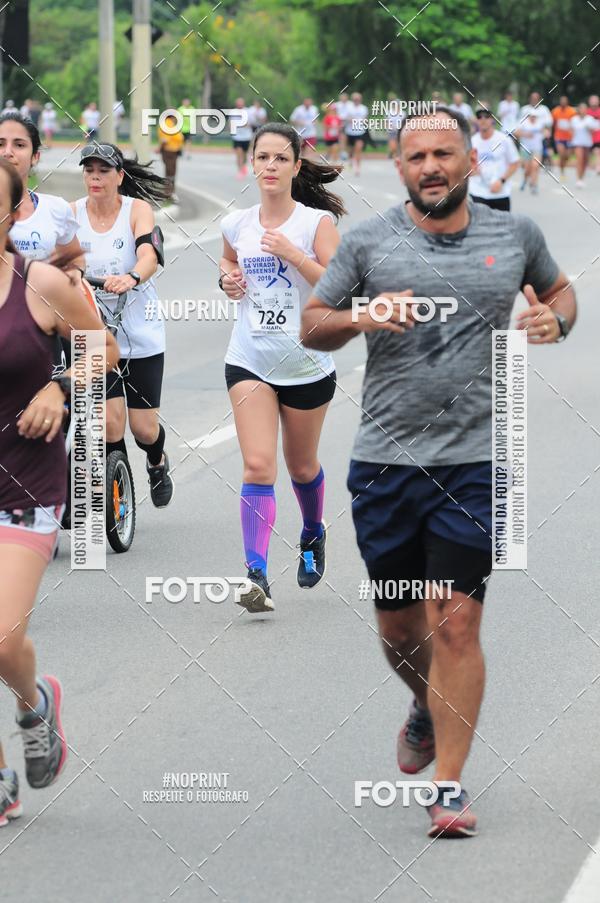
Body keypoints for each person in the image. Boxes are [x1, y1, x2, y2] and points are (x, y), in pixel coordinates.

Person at [301, 106, 576, 838]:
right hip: (386, 463)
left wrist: (558, 320)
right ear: (398, 166)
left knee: (456, 618)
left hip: (479, 459)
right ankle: (424, 703)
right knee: (399, 625)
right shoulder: (368, 241)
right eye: (417, 155)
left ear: (469, 161)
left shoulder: (513, 234)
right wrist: (362, 316)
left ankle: (448, 787)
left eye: (444, 154)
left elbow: (560, 292)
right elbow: (313, 321)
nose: (431, 166)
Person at [0, 155, 119, 827]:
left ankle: (33, 702)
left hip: (24, 480)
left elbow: (101, 347)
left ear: (17, 212)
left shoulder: (39, 283)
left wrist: (59, 384)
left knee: (1, 637)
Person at [218, 122, 345, 613]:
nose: (269, 167)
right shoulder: (237, 222)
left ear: (295, 166)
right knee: (257, 464)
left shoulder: (315, 225)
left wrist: (294, 254)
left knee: (301, 466)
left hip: (307, 364)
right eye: (261, 158)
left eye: (279, 158)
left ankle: (313, 532)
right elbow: (229, 262)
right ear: (251, 164)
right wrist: (228, 280)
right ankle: (256, 574)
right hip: (249, 359)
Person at [73, 143, 174, 507]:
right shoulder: (72, 215)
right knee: (111, 424)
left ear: (119, 176)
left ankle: (156, 460)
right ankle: (119, 491)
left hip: (140, 331)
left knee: (143, 429)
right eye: (89, 170)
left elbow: (149, 253)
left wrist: (131, 276)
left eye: (103, 170)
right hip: (97, 336)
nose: (95, 177)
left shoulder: (137, 210)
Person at [0, 112, 84, 269]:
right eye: (0, 144)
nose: (7, 152)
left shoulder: (57, 208)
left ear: (35, 157)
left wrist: (74, 275)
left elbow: (76, 262)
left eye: (19, 145)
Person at [469, 103, 520, 210]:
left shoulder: (504, 140)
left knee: (502, 227)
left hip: (500, 193)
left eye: (486, 116)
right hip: (478, 192)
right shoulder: (472, 142)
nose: (483, 120)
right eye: (479, 117)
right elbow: (468, 166)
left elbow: (515, 163)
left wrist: (501, 181)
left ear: (492, 119)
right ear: (476, 120)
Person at [515, 110, 544, 194]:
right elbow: (516, 132)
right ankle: (525, 180)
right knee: (527, 168)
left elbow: (544, 131)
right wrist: (525, 134)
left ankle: (534, 184)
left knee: (535, 166)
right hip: (526, 148)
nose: (533, 118)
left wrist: (545, 133)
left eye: (535, 116)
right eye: (532, 116)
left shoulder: (540, 123)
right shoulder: (523, 122)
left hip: (537, 148)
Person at [157, 112, 184, 202]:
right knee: (170, 172)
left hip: (173, 151)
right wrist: (159, 149)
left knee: (171, 172)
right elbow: (165, 139)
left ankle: (170, 192)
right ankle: (169, 193)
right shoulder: (166, 124)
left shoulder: (170, 124)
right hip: (169, 151)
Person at [570, 102, 596, 187]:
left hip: (587, 143)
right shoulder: (574, 119)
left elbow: (593, 131)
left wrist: (589, 128)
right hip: (577, 142)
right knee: (580, 159)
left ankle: (582, 177)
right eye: (581, 109)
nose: (583, 110)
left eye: (584, 109)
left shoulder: (590, 119)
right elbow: (571, 130)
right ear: (579, 110)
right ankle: (578, 179)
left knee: (585, 161)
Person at [344, 92, 369, 176]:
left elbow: (365, 119)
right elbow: (345, 118)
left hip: (360, 131)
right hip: (350, 132)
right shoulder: (348, 108)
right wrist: (350, 119)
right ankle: (350, 159)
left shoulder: (364, 108)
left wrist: (364, 122)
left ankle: (357, 168)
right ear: (352, 99)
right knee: (351, 150)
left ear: (360, 100)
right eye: (355, 99)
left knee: (358, 149)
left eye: (358, 99)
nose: (356, 100)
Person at [551, 96, 576, 180]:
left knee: (567, 156)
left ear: (567, 102)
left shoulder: (572, 111)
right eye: (562, 101)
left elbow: (574, 123)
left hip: (569, 137)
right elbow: (553, 123)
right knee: (561, 154)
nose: (563, 102)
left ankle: (563, 165)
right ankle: (562, 172)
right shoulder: (555, 111)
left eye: (565, 101)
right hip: (559, 137)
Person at [230, 97, 253, 179]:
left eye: (241, 102)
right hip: (237, 137)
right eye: (238, 102)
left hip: (246, 136)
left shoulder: (248, 111)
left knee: (244, 154)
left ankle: (243, 167)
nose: (240, 104)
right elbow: (231, 123)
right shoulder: (233, 112)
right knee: (238, 153)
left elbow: (250, 123)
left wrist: (244, 124)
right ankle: (239, 170)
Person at [335, 92, 351, 159]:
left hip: (349, 122)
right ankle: (342, 152)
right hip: (339, 122)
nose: (343, 98)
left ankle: (346, 152)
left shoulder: (351, 104)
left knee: (347, 139)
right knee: (341, 138)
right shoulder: (337, 105)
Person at [587, 94, 600, 175]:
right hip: (588, 137)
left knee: (597, 152)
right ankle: (588, 167)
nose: (594, 102)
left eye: (595, 100)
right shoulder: (586, 112)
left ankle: (598, 167)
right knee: (588, 153)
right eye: (592, 100)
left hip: (598, 137)